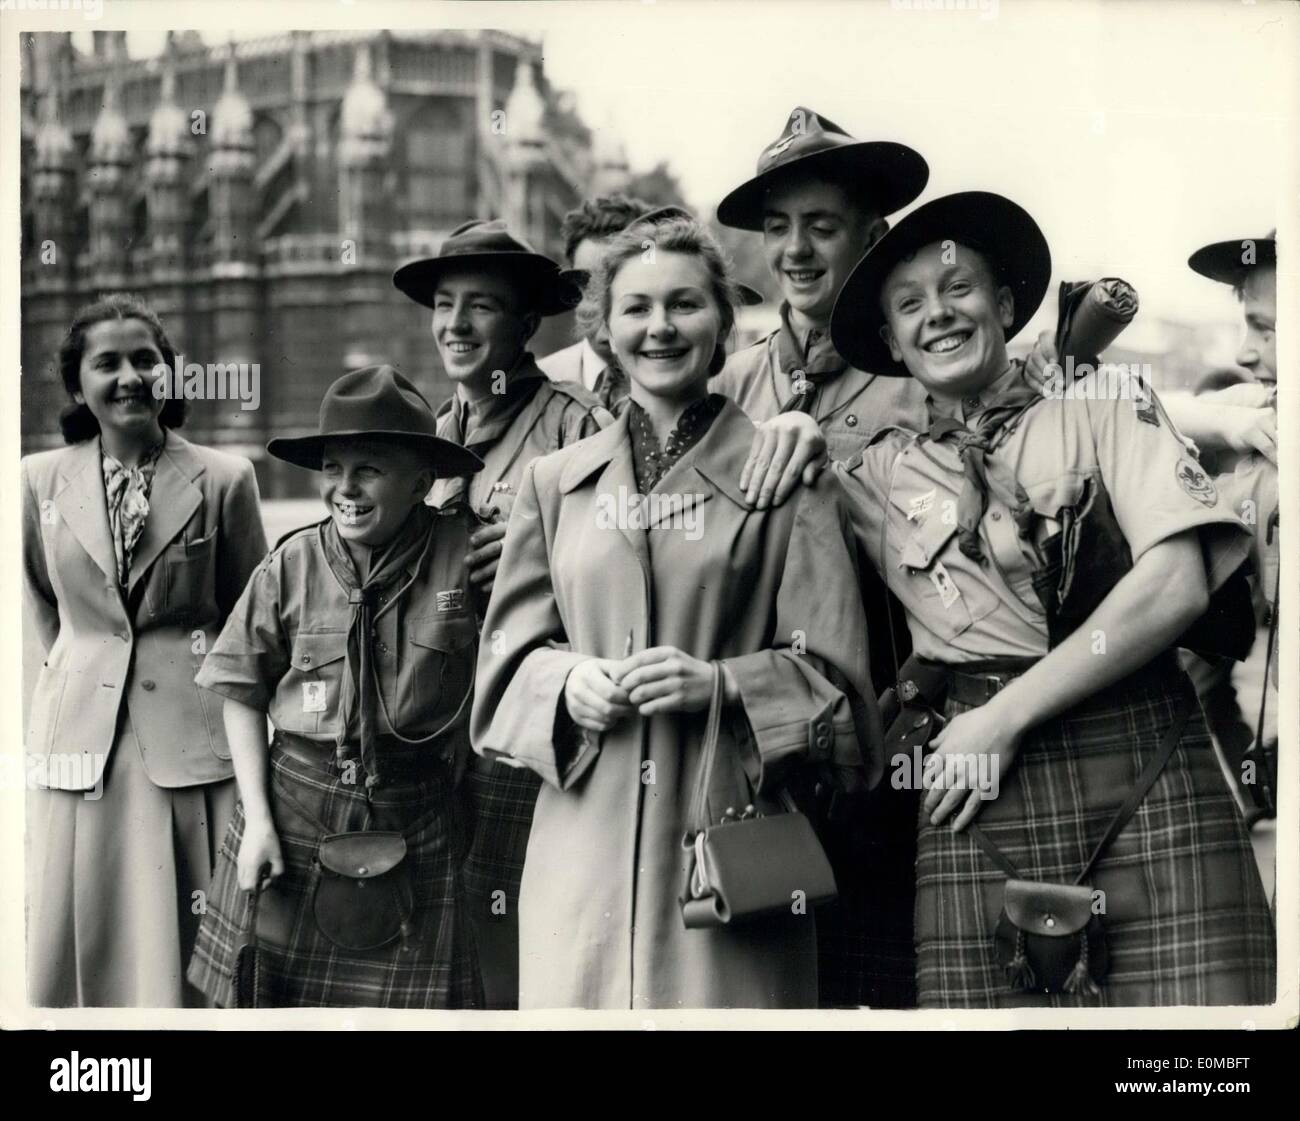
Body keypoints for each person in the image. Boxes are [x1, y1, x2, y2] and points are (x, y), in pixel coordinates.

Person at [826, 190, 1274, 1006]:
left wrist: (1005, 715)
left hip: (1141, 750)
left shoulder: (1103, 399)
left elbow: (1176, 582)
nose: (939, 314)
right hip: (976, 797)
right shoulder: (866, 472)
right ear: (891, 342)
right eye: (910, 304)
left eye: (958, 288)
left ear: (1002, 304)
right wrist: (784, 439)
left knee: (1205, 1042)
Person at [471, 217, 881, 1009]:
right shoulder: (553, 484)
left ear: (723, 321)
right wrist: (564, 681)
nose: (660, 327)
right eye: (636, 308)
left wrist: (720, 683)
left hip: (730, 856)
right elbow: (500, 672)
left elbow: (845, 705)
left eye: (685, 305)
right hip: (578, 863)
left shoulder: (790, 478)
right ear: (604, 331)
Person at [711, 106, 931, 1008]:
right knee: (771, 987)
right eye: (777, 228)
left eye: (822, 226)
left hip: (897, 741)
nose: (796, 251)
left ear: (872, 239)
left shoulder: (919, 377)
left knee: (885, 976)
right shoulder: (729, 386)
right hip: (766, 746)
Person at [185, 366, 486, 1008]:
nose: (344, 489)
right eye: (333, 468)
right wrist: (259, 822)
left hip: (418, 815)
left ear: (423, 482)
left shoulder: (469, 557)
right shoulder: (290, 564)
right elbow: (240, 691)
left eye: (369, 469)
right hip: (293, 811)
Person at [23, 293, 268, 1007]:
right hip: (83, 748)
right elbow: (51, 608)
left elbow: (249, 621)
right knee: (89, 936)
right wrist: (89, 677)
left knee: (192, 950)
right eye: (107, 363)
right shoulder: (35, 482)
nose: (130, 376)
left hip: (196, 748)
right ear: (77, 386)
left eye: (146, 360)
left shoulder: (226, 479)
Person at [393, 219, 611, 1009]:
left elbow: (621, 578)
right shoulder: (430, 435)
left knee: (522, 939)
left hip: (527, 733)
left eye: (480, 306)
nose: (455, 324)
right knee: (440, 945)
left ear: (524, 326)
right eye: (444, 304)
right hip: (436, 729)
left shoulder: (578, 426)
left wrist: (538, 562)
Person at [1186, 231, 1280, 822]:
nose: (1246, 352)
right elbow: (1126, 408)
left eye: (1265, 328)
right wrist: (1229, 423)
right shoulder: (1266, 436)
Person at [538, 193, 652, 414]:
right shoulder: (542, 381)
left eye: (622, 289)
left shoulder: (682, 381)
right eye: (588, 287)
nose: (605, 309)